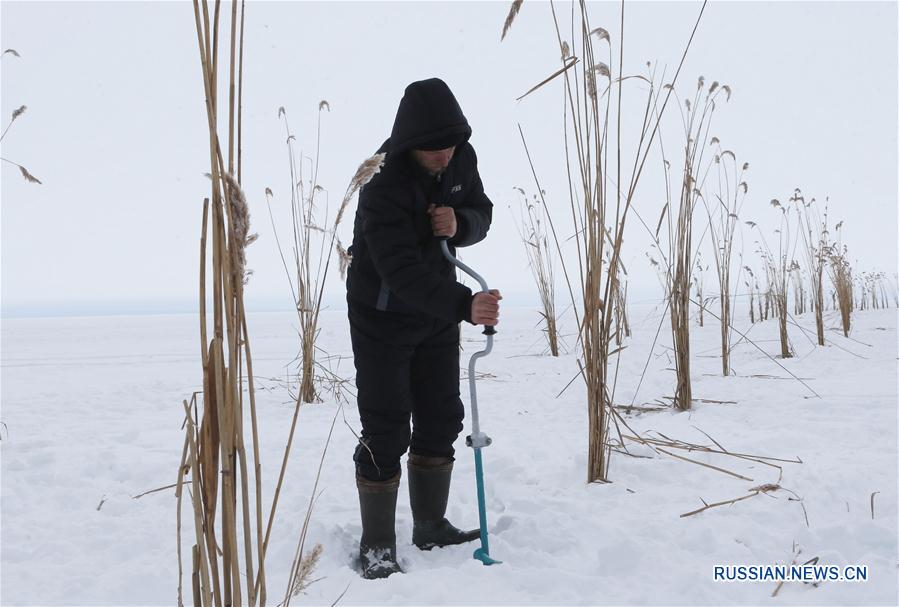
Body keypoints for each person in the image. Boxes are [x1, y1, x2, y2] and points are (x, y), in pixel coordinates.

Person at [345, 77, 501, 579]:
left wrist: (461, 223)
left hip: (435, 310)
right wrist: (464, 304)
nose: (444, 156)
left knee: (441, 419)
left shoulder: (461, 156)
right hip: (382, 314)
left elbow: (482, 212)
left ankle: (430, 525)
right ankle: (376, 546)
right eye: (435, 149)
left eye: (450, 146)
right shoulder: (382, 183)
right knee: (386, 427)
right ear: (411, 143)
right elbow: (399, 272)